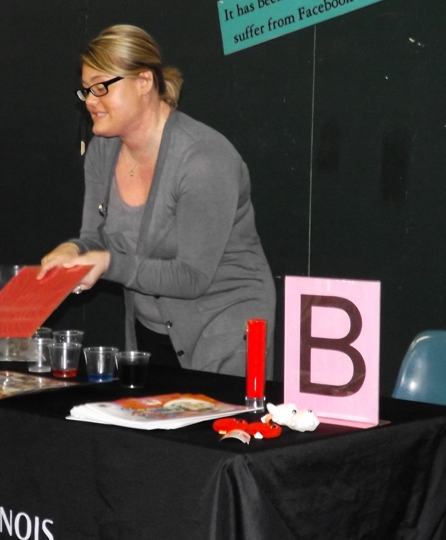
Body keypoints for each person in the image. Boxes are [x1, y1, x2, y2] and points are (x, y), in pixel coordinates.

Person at [39, 25, 275, 375]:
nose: (90, 100)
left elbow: (192, 277)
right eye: (86, 89)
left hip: (225, 331)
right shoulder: (102, 150)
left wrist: (108, 264)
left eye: (101, 87)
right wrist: (72, 251)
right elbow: (95, 239)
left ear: (144, 82)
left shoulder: (204, 158)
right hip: (150, 332)